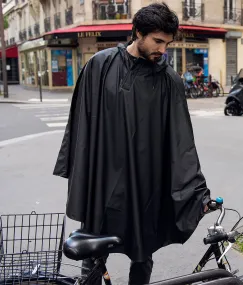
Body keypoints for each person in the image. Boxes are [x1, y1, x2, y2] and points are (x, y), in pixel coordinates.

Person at [53, 2, 211, 284]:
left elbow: (181, 141)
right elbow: (82, 126)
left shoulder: (169, 80)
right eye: (157, 41)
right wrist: (83, 174)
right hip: (103, 182)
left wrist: (196, 191)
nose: (163, 50)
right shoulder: (100, 66)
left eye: (168, 43)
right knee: (93, 254)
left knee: (143, 252)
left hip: (145, 186)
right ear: (138, 32)